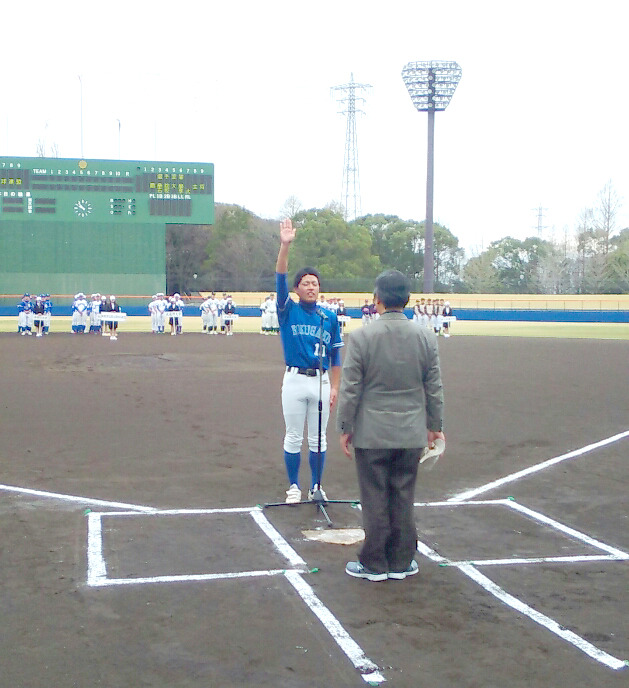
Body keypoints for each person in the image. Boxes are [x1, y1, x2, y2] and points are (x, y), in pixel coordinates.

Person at [336, 269, 445, 582]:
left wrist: (345, 426)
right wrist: (435, 425)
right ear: (407, 299)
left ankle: (374, 561)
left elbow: (351, 388)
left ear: (377, 299)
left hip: (372, 432)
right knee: (402, 495)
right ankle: (401, 560)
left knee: (374, 496)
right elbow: (434, 386)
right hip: (410, 431)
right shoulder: (425, 336)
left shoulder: (361, 336)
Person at [276, 218, 344, 504]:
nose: (311, 287)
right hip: (294, 379)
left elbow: (337, 354)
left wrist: (335, 387)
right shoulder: (287, 310)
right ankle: (294, 486)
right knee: (293, 436)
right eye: (305, 283)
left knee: (318, 439)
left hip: (320, 380)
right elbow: (279, 276)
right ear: (296, 288)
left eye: (315, 283)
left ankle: (317, 486)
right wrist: (285, 246)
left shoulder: (328, 317)